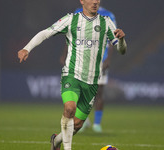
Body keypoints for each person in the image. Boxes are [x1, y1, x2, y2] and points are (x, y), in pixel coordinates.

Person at [18, 0, 127, 150]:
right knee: (69, 108)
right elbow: (46, 33)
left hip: (92, 81)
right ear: (82, 0)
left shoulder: (106, 22)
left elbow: (121, 50)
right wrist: (26, 48)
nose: (95, 2)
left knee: (77, 124)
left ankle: (56, 141)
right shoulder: (71, 19)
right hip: (72, 75)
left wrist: (121, 40)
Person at [60, 6, 117, 133]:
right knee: (78, 91)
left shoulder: (108, 14)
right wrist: (65, 54)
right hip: (80, 59)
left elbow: (112, 37)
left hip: (100, 59)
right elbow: (71, 35)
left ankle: (97, 124)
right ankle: (83, 121)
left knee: (99, 92)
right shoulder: (77, 12)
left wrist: (108, 60)